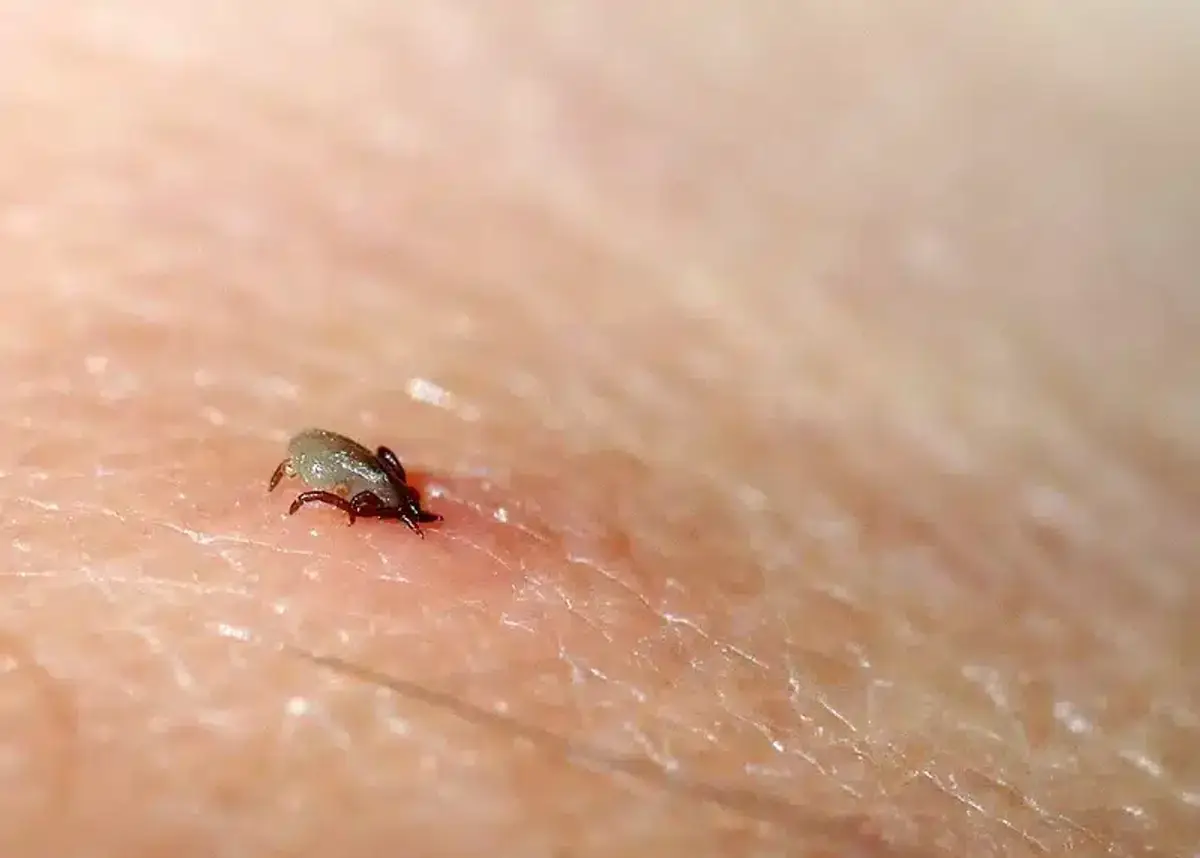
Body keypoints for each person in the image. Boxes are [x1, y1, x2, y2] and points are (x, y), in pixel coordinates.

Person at [2, 3, 1195, 855]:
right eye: (386, 497)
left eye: (386, 495)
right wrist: (366, 495)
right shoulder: (347, 478)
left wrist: (384, 497)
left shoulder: (364, 476)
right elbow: (333, 472)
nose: (393, 503)